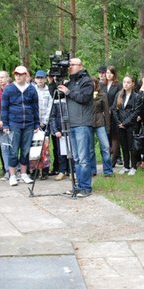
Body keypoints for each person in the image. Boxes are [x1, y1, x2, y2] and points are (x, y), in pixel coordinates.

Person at [57, 57, 95, 197]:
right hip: (71, 124)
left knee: (83, 158)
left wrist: (68, 92)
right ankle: (78, 186)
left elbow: (84, 98)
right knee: (76, 158)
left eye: (72, 64)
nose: (70, 67)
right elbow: (55, 96)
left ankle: (86, 187)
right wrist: (53, 82)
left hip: (82, 124)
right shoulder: (70, 82)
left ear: (80, 66)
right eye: (69, 64)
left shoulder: (87, 81)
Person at [1, 66, 38, 186]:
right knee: (13, 150)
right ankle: (12, 175)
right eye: (16, 74)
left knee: (26, 150)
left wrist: (36, 123)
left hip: (29, 124)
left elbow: (35, 109)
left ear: (26, 75)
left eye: (21, 74)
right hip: (14, 124)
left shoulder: (32, 89)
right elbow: (4, 108)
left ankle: (23, 174)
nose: (18, 76)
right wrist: (5, 124)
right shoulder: (9, 89)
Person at [112, 75, 141, 175]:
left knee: (132, 146)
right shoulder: (119, 95)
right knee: (123, 146)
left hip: (131, 125)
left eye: (128, 82)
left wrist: (125, 123)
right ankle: (126, 166)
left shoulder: (136, 96)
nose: (126, 84)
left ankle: (133, 166)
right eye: (124, 82)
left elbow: (136, 112)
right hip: (120, 125)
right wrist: (119, 123)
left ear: (132, 84)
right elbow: (114, 109)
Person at [90, 78, 113, 177]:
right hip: (89, 123)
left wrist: (107, 127)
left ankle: (108, 171)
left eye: (93, 83)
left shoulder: (102, 95)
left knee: (105, 147)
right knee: (90, 148)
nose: (92, 85)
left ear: (96, 84)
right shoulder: (86, 95)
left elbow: (107, 112)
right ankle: (92, 170)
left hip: (100, 123)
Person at [101, 65, 122, 167]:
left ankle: (114, 160)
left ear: (114, 74)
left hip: (114, 114)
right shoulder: (102, 85)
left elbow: (118, 98)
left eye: (110, 73)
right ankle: (107, 159)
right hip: (103, 115)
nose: (108, 75)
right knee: (106, 136)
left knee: (115, 137)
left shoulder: (118, 85)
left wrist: (110, 109)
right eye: (107, 73)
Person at [34, 70, 53, 179]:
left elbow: (50, 107)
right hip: (34, 124)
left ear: (45, 79)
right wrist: (36, 123)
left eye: (42, 78)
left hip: (45, 124)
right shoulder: (32, 90)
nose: (40, 80)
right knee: (35, 147)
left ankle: (45, 171)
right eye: (38, 78)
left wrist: (44, 122)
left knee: (45, 148)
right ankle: (34, 170)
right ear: (35, 79)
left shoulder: (49, 90)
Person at [0, 71, 12, 180]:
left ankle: (17, 170)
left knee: (14, 148)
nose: (1, 80)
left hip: (13, 123)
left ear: (7, 78)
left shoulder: (13, 90)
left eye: (3, 77)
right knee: (4, 148)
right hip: (0, 125)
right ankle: (7, 171)